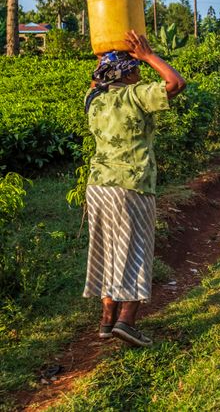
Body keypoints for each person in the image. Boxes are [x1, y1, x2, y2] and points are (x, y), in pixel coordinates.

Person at [83, 31, 186, 347]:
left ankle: (105, 322)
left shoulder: (93, 100)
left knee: (108, 250)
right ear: (127, 72)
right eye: (135, 68)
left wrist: (107, 54)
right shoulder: (136, 95)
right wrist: (148, 55)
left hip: (98, 187)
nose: (140, 72)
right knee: (136, 250)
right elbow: (176, 83)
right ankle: (127, 322)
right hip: (132, 187)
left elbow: (96, 80)